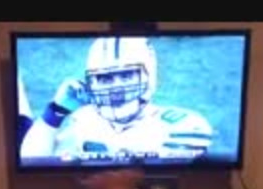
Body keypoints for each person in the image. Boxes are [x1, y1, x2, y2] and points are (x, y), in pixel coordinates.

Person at [19, 36, 214, 159]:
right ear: (90, 83)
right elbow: (31, 160)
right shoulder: (83, 120)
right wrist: (55, 112)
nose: (116, 89)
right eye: (104, 79)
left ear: (150, 76)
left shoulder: (182, 126)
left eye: (126, 76)